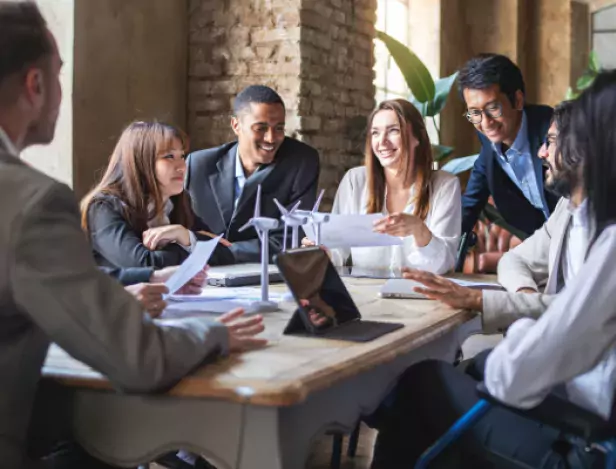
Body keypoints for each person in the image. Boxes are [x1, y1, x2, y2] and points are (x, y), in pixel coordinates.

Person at [0, 3, 266, 468]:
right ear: (35, 85)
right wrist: (214, 333)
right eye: (60, 74)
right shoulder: (35, 202)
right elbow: (139, 358)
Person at [370, 71, 616, 469]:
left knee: (422, 382)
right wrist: (525, 301)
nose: (540, 153)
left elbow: (516, 375)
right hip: (572, 410)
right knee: (452, 388)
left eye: (553, 142)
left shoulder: (610, 243)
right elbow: (518, 266)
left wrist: (520, 329)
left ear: (591, 149)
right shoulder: (572, 213)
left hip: (580, 441)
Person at [404, 100, 581, 334]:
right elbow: (513, 260)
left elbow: (581, 311)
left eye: (551, 141)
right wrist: (524, 296)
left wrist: (477, 300)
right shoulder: (566, 208)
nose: (541, 152)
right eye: (474, 113)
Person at [310, 99, 461, 274]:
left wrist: (419, 230)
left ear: (417, 138)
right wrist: (323, 252)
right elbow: (338, 251)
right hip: (364, 296)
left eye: (393, 131)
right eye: (375, 133)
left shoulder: (445, 186)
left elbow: (443, 265)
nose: (382, 142)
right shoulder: (354, 181)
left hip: (421, 297)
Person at [184, 85, 320, 264]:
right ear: (236, 125)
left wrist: (220, 251)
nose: (271, 138)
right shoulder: (198, 165)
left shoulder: (301, 161)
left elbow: (290, 239)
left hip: (266, 275)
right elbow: (184, 227)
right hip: (201, 274)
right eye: (260, 128)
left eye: (279, 128)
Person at [81, 121, 229, 270]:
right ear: (141, 161)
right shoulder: (103, 207)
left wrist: (184, 235)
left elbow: (225, 253)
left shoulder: (175, 202)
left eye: (182, 156)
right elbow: (144, 264)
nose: (182, 167)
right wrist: (188, 245)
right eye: (169, 156)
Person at [460, 53, 559, 238]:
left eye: (493, 108)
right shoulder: (490, 146)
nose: (486, 123)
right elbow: (468, 207)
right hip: (545, 244)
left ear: (518, 100)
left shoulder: (554, 132)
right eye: (474, 113)